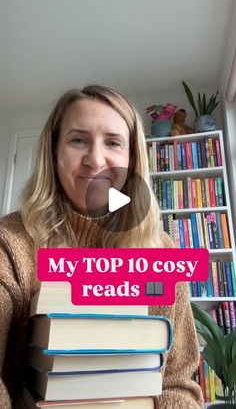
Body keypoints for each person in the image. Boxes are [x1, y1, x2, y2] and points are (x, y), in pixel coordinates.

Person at [0, 85, 203, 408]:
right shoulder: (10, 241)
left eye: (113, 143)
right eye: (78, 140)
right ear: (54, 156)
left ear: (132, 160)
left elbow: (178, 385)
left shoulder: (161, 251)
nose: (95, 160)